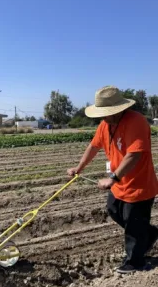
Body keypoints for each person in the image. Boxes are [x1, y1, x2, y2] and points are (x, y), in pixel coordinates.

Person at [67, 85, 158, 274]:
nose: (103, 117)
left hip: (138, 185)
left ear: (119, 110)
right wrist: (79, 168)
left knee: (133, 223)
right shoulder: (105, 125)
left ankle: (135, 262)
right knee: (113, 209)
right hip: (120, 184)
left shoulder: (136, 121)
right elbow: (93, 147)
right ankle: (148, 234)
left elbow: (135, 155)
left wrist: (113, 178)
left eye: (106, 113)